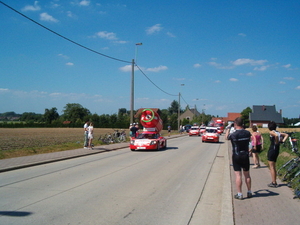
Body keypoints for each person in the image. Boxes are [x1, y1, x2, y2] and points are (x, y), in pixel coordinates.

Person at [226, 117, 252, 200]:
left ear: (235, 124)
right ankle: (249, 191)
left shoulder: (234, 134)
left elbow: (226, 137)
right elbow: (250, 141)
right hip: (245, 155)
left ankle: (240, 194)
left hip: (236, 155)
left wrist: (228, 128)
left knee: (238, 175)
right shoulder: (247, 133)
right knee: (247, 174)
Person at [267, 121, 288, 187]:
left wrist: (276, 142)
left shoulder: (271, 132)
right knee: (274, 166)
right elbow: (286, 135)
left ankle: (274, 182)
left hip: (272, 149)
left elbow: (275, 136)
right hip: (276, 149)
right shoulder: (278, 132)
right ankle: (274, 180)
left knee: (271, 166)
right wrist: (282, 141)